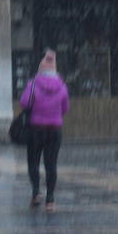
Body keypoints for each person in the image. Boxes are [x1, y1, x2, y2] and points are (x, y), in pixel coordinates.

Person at [19, 50, 69, 210]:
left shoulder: (33, 84)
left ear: (41, 69)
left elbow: (24, 103)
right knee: (51, 164)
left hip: (36, 129)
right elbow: (65, 108)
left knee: (33, 162)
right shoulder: (62, 86)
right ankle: (50, 200)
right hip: (54, 130)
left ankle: (35, 193)